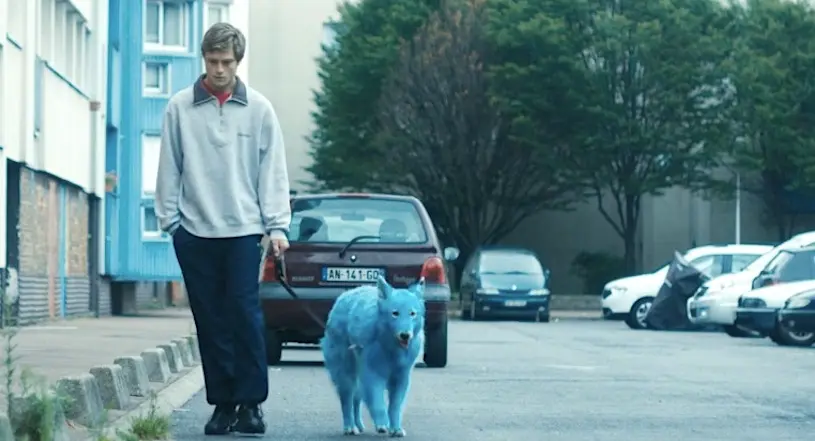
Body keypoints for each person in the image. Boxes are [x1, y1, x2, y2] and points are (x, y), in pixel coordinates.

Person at [154, 23, 291, 436]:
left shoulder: (260, 109)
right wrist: (171, 223)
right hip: (195, 233)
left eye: (226, 62)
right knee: (210, 321)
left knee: (245, 318)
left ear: (238, 62)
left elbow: (273, 171)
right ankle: (223, 405)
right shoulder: (180, 107)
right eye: (212, 62)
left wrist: (277, 225)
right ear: (203, 59)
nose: (218, 70)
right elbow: (168, 167)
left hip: (244, 232)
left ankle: (251, 405)